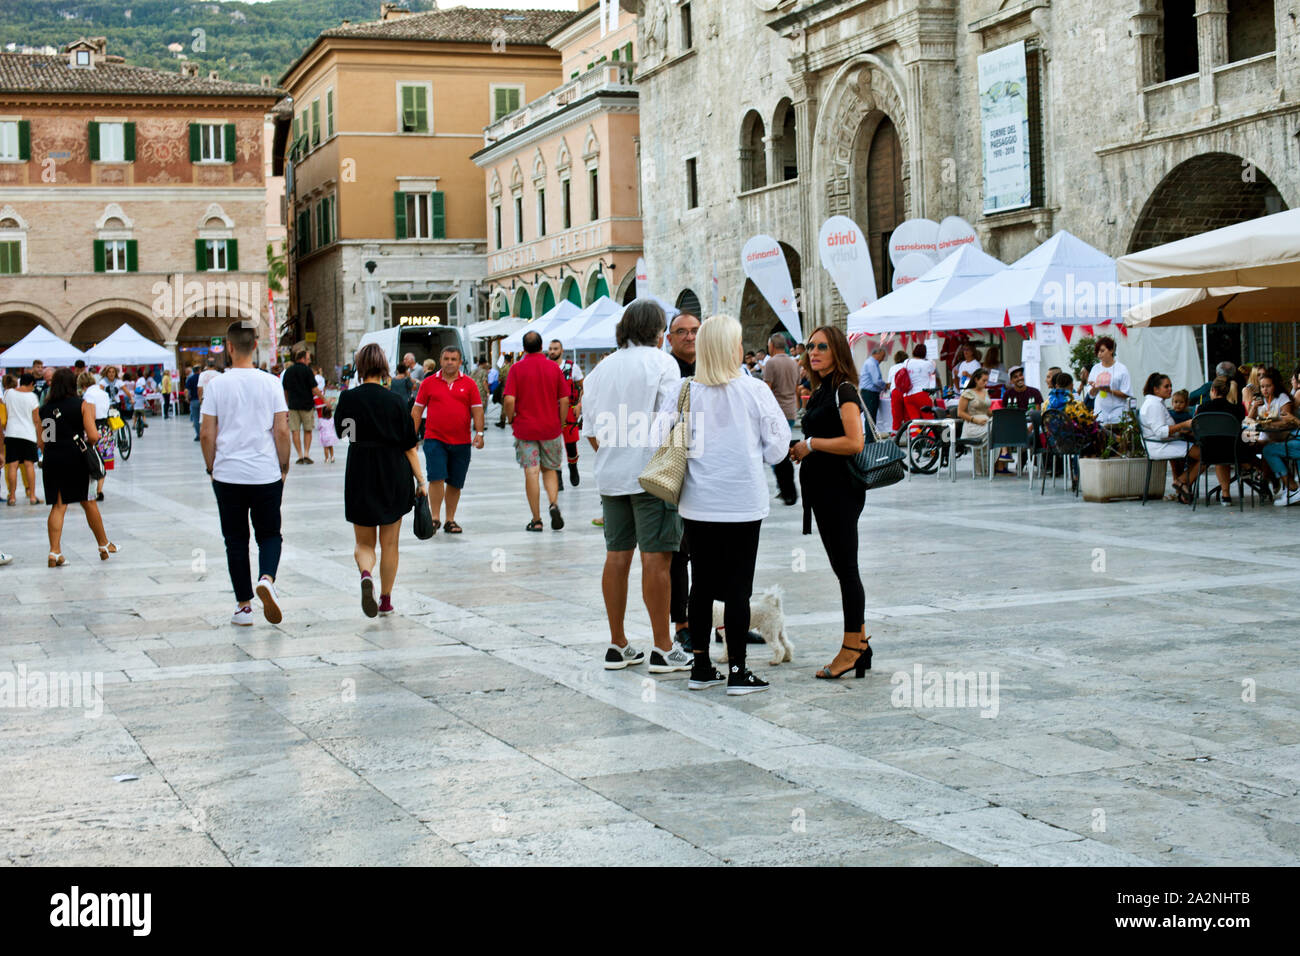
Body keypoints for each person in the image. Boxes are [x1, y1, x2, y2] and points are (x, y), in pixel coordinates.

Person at [661, 315, 789, 695]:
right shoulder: (754, 391)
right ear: (732, 348)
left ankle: (701, 666)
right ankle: (738, 671)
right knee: (738, 589)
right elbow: (779, 446)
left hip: (698, 503)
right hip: (742, 503)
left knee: (699, 585)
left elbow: (657, 436)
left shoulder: (684, 390)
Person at [580, 300, 690, 674]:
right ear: (659, 332)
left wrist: (617, 452)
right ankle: (663, 646)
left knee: (617, 556)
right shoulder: (663, 364)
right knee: (656, 557)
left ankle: (618, 643)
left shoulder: (601, 369)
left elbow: (591, 431)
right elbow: (669, 419)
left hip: (611, 475)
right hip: (651, 474)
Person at [788, 325, 870, 681]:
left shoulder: (844, 389)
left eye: (822, 346)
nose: (815, 351)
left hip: (840, 491)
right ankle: (861, 643)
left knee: (847, 570)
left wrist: (812, 445)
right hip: (824, 491)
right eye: (811, 347)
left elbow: (855, 442)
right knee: (842, 568)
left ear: (837, 350)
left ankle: (851, 649)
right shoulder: (822, 388)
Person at [200, 322, 291, 626]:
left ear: (229, 347)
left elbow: (206, 434)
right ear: (255, 346)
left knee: (235, 539)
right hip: (265, 472)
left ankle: (243, 607)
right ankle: (266, 577)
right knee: (269, 534)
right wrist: (284, 464)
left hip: (228, 474)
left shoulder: (216, 385)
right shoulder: (271, 383)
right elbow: (281, 429)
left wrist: (212, 467)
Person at [336, 343, 427, 617]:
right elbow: (409, 446)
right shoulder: (396, 401)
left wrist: (363, 434)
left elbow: (346, 434)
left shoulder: (348, 399)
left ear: (360, 367)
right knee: (390, 544)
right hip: (393, 472)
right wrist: (421, 481)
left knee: (364, 543)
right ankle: (386, 599)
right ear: (384, 367)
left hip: (360, 471)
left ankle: (366, 574)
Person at [37, 368, 117, 567]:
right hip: (75, 458)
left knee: (58, 505)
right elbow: (93, 435)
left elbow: (43, 441)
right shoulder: (82, 405)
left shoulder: (45, 409)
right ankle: (103, 545)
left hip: (53, 458)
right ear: (73, 384)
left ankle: (54, 552)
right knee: (88, 501)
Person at [411, 345, 483, 534]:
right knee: (436, 477)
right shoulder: (428, 383)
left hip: (461, 441)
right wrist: (411, 436)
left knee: (455, 482)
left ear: (460, 362)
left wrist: (480, 433)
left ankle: (450, 519)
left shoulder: (469, 383)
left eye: (453, 359)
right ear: (440, 360)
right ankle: (435, 518)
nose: (449, 362)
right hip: (435, 439)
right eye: (446, 359)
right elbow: (417, 410)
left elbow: (477, 408)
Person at [503, 331, 569, 531]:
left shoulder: (516, 368)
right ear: (542, 347)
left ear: (523, 348)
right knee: (550, 470)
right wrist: (561, 421)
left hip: (525, 430)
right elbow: (564, 399)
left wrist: (511, 418)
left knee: (531, 472)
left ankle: (537, 519)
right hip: (550, 428)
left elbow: (509, 399)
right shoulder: (553, 368)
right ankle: (553, 503)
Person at [666, 311, 700, 646]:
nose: (690, 337)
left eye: (695, 331)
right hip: (678, 469)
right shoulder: (666, 372)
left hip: (712, 468)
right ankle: (682, 624)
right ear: (669, 337)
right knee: (680, 552)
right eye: (682, 331)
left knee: (716, 551)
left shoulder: (711, 365)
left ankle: (720, 621)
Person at [1139, 372, 1202, 503]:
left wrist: (1183, 431)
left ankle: (1183, 488)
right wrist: (1183, 425)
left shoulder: (1156, 403)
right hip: (1159, 445)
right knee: (1206, 455)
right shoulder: (1153, 405)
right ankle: (1181, 481)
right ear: (1156, 389)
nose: (1170, 389)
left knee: (1198, 453)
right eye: (1166, 386)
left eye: (1170, 386)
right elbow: (1160, 432)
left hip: (1165, 442)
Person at [1194, 375, 1251, 506]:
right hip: (1234, 452)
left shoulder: (1202, 409)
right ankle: (1249, 470)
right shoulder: (1237, 409)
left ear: (1213, 390)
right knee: (1226, 444)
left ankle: (1226, 495)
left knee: (1217, 445)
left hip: (1209, 452)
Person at [764, 332, 800, 506]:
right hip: (791, 410)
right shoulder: (793, 363)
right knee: (781, 449)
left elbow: (767, 389)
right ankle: (784, 487)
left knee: (776, 452)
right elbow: (796, 386)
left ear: (772, 346)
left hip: (776, 411)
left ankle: (784, 487)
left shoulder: (771, 363)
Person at [547, 338, 584, 488]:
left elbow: (583, 386)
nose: (552, 351)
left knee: (571, 444)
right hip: (550, 411)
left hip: (569, 410)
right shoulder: (545, 367)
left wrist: (579, 404)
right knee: (553, 445)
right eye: (550, 349)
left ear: (561, 351)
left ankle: (573, 467)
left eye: (555, 348)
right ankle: (558, 477)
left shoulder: (572, 367)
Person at [3, 374, 41, 506]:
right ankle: (32, 496)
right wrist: (39, 437)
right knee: (29, 465)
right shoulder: (32, 397)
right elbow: (36, 420)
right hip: (28, 434)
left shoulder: (9, 393)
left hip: (11, 433)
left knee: (12, 466)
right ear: (31, 383)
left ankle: (12, 496)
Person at [282, 349, 323, 465]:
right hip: (307, 405)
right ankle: (306, 454)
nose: (309, 361)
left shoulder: (288, 371)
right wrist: (325, 400)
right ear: (302, 359)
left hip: (293, 406)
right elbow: (314, 389)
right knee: (308, 430)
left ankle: (299, 455)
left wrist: (287, 403)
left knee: (295, 431)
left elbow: (285, 390)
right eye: (308, 358)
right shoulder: (307, 371)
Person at [78, 372, 114, 501]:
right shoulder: (104, 393)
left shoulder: (89, 395)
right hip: (105, 428)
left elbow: (90, 413)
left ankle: (92, 490)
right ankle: (100, 490)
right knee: (103, 460)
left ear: (82, 384)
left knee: (92, 458)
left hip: (94, 428)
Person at [1087, 336, 1133, 425]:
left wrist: (1109, 390)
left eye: (1102, 351)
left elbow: (1126, 393)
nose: (1099, 354)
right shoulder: (1095, 369)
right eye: (1098, 352)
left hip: (1118, 415)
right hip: (1100, 414)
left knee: (1117, 438)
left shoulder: (1122, 369)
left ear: (1111, 350)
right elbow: (1091, 395)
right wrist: (1095, 388)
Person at [957, 367, 992, 476]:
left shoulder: (985, 392)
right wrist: (975, 419)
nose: (985, 383)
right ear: (976, 380)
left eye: (987, 380)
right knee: (995, 427)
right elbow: (960, 413)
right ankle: (1002, 455)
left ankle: (991, 467)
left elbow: (986, 410)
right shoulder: (967, 393)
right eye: (983, 380)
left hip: (986, 421)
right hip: (972, 424)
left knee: (998, 425)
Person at [903, 343, 938, 423]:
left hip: (907, 395)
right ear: (925, 353)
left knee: (914, 420)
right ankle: (930, 435)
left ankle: (915, 434)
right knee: (928, 419)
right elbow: (933, 371)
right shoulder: (927, 364)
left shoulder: (906, 362)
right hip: (921, 394)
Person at [858, 345, 887, 423]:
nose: (883, 359)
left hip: (868, 393)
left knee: (870, 418)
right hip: (870, 393)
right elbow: (876, 381)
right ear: (877, 354)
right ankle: (870, 435)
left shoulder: (870, 362)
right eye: (882, 356)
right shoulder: (872, 363)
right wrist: (885, 385)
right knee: (870, 418)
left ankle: (870, 435)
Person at [888, 348, 910, 431]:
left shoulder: (892, 368)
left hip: (895, 391)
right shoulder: (907, 366)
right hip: (906, 392)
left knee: (896, 415)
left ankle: (895, 435)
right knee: (907, 415)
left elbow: (890, 383)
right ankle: (910, 434)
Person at [185, 364, 202, 439]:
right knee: (204, 418)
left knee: (195, 418)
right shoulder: (202, 378)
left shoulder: (190, 379)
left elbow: (186, 390)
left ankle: (198, 435)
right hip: (202, 400)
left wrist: (187, 398)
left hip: (194, 400)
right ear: (199, 370)